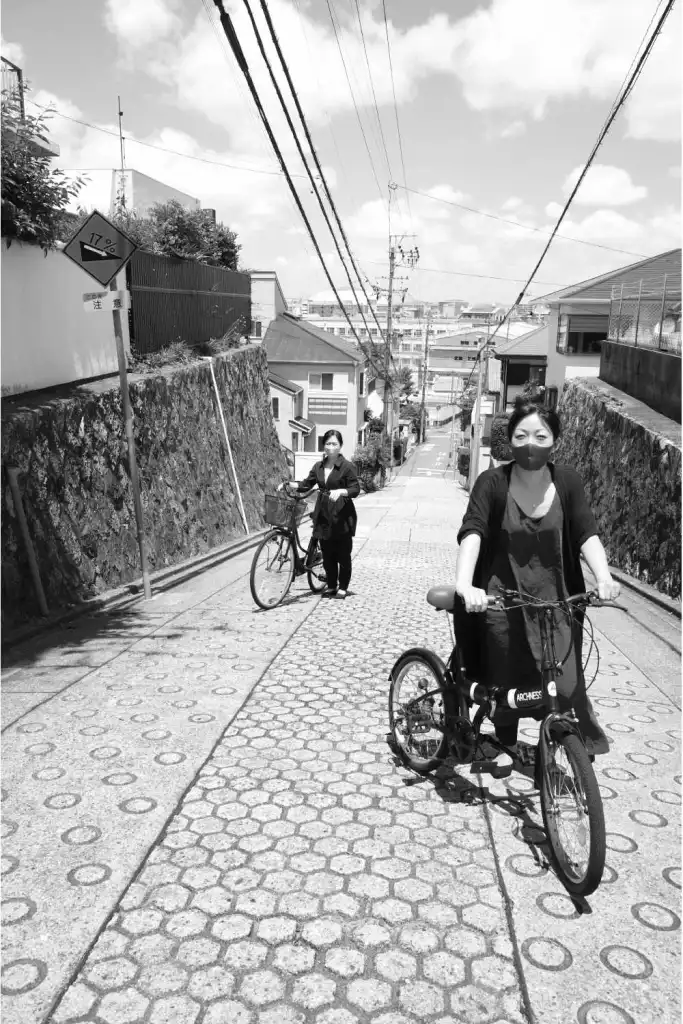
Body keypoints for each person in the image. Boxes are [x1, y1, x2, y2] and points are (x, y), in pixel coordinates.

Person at [454, 397, 620, 768]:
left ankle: (569, 744)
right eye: (521, 435)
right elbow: (473, 531)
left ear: (554, 440)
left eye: (540, 435)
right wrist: (466, 584)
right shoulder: (492, 482)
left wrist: (604, 577)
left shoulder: (568, 481)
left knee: (565, 682)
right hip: (502, 600)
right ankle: (505, 743)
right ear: (510, 441)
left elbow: (586, 533)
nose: (531, 443)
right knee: (505, 676)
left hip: (558, 601)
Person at [283, 429, 360, 599]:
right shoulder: (318, 466)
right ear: (323, 446)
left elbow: (355, 489)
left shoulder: (347, 467)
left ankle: (343, 586)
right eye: (327, 443)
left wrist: (341, 491)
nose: (330, 447)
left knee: (342, 554)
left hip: (342, 515)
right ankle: (331, 585)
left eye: (334, 444)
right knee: (327, 554)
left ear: (340, 446)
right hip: (323, 514)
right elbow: (307, 484)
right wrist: (290, 484)